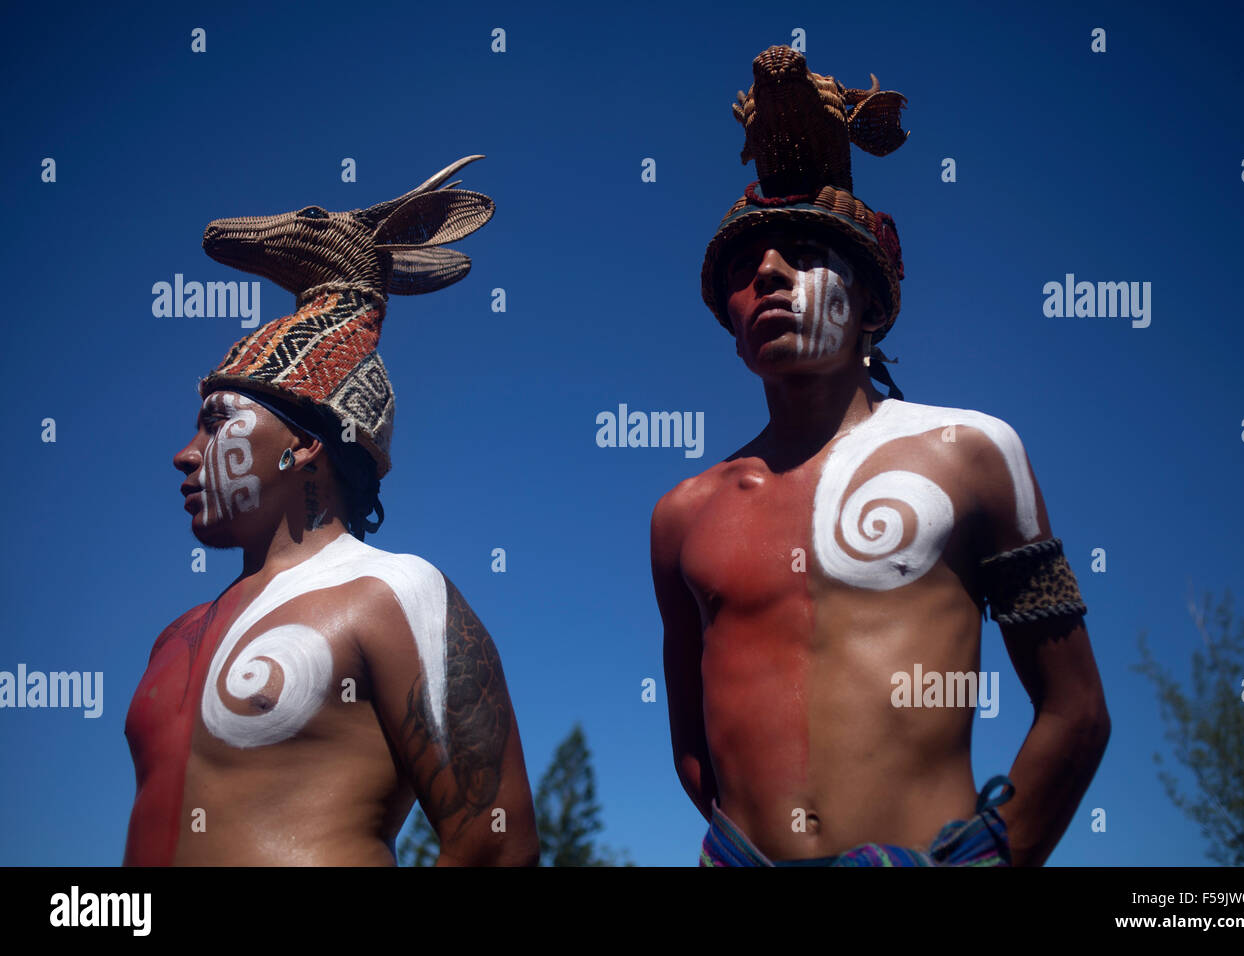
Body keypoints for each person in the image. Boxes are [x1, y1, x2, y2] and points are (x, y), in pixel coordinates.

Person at [652, 47, 1109, 866]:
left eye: (803, 253)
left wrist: (995, 856)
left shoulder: (971, 454)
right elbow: (694, 749)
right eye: (748, 268)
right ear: (727, 315)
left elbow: (1074, 710)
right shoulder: (684, 514)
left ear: (872, 301)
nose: (770, 273)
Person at [124, 158, 538, 865]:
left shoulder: (393, 594)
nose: (185, 454)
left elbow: (497, 844)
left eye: (216, 422)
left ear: (305, 444)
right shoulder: (174, 635)